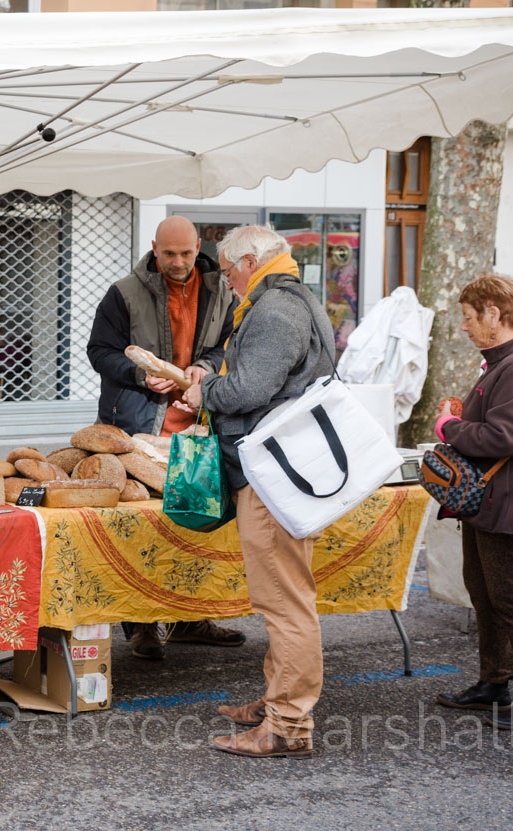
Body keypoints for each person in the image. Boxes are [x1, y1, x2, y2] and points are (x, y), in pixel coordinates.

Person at [181, 224, 334, 759]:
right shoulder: (293, 297)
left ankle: (287, 725)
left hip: (272, 473)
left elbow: (250, 387)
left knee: (285, 602)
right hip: (285, 470)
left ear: (249, 261)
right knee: (285, 597)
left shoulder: (273, 308)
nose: (227, 283)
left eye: (227, 271)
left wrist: (204, 389)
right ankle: (277, 703)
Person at [87, 215, 243, 660]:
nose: (178, 263)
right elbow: (99, 351)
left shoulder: (221, 288)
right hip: (138, 423)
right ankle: (141, 626)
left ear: (199, 247)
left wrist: (207, 367)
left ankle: (191, 617)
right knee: (141, 529)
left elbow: (229, 344)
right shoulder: (123, 291)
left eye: (186, 254)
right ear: (154, 248)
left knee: (194, 524)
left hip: (196, 420)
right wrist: (138, 373)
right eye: (169, 254)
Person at [432, 273, 513, 730]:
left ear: (493, 314)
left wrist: (449, 428)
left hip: (511, 505)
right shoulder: (504, 362)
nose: (464, 327)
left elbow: (508, 437)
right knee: (485, 595)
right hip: (491, 503)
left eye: (468, 317)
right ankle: (494, 684)